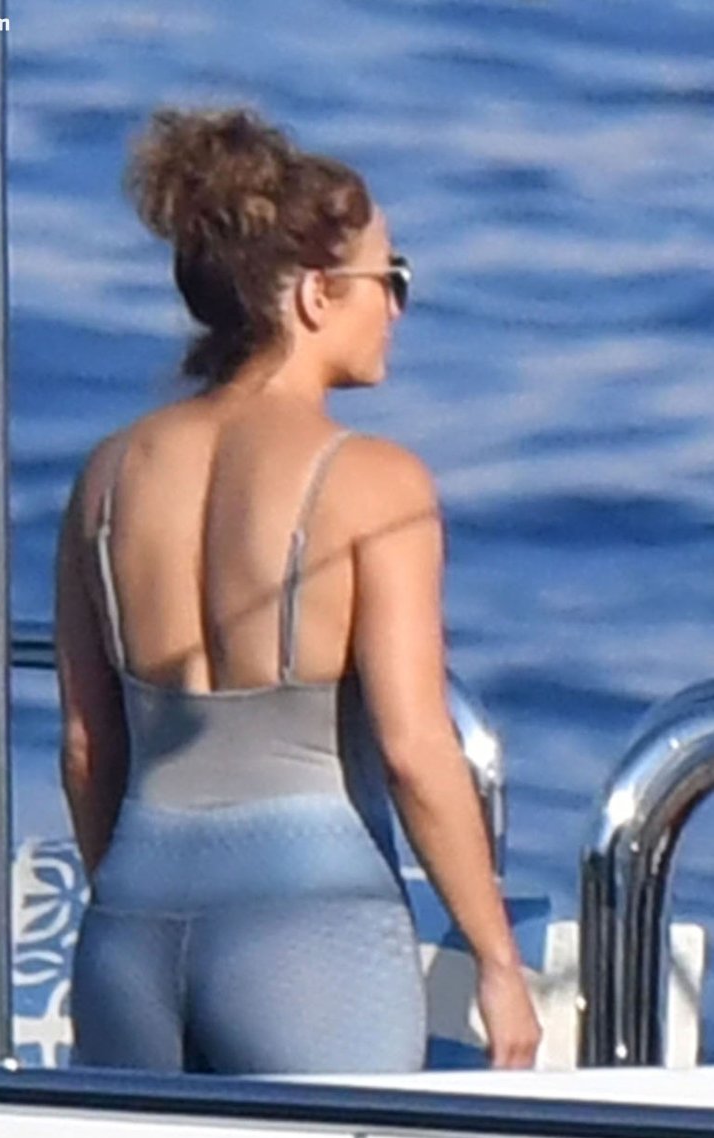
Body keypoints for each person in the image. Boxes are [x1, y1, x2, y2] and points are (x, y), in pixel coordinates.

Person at [55, 106, 541, 1074]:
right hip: (310, 935)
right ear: (317, 295)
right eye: (389, 277)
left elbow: (86, 745)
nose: (396, 304)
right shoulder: (375, 482)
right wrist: (496, 959)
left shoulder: (106, 477)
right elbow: (413, 749)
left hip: (129, 931)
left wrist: (134, 898)